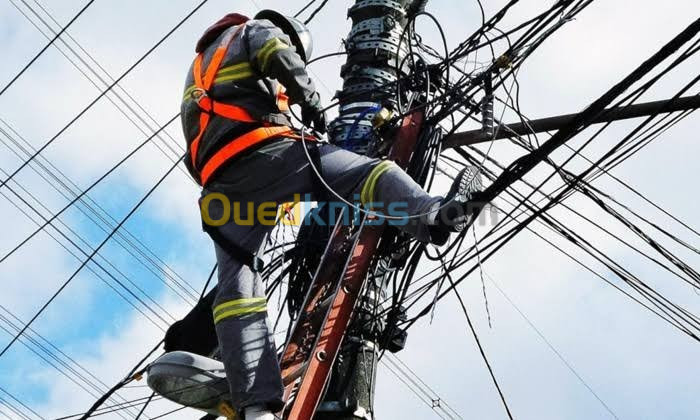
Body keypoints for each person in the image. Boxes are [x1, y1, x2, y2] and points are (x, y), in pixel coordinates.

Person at [180, 10, 483, 420]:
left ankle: (256, 408)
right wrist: (313, 103)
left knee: (238, 293)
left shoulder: (199, 69)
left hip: (220, 188)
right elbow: (276, 54)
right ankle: (430, 217)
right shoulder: (255, 30)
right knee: (369, 173)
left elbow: (194, 151)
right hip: (267, 154)